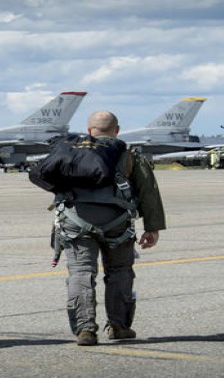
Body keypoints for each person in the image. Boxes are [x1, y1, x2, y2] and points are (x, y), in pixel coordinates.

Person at [52, 111, 166, 346]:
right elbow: (148, 193)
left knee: (81, 273)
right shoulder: (129, 156)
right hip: (118, 226)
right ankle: (118, 326)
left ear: (89, 129)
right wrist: (152, 228)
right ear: (117, 130)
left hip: (76, 224)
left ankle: (85, 330)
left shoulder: (71, 152)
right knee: (120, 272)